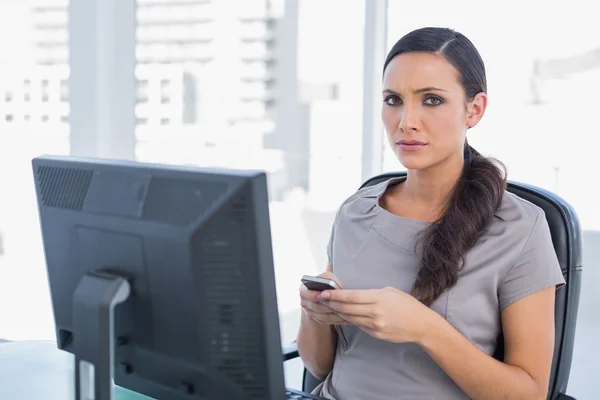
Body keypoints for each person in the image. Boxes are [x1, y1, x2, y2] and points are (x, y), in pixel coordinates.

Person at [296, 27, 566, 400]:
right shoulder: (354, 212)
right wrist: (313, 313)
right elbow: (319, 366)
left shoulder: (520, 227)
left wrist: (425, 328)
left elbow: (530, 394)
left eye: (432, 100)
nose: (406, 121)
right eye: (393, 99)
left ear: (474, 109)